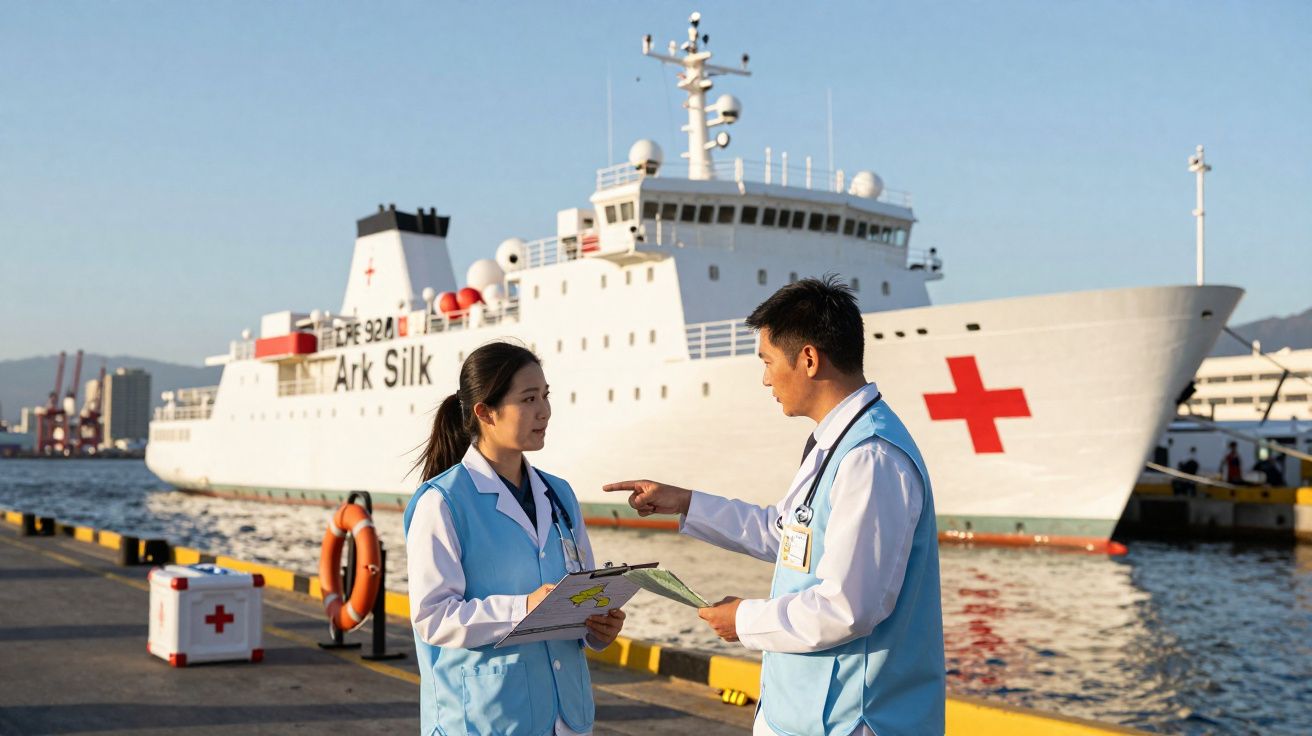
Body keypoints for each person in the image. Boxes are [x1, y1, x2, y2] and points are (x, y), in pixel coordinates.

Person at [605, 276, 945, 735]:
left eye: (766, 361)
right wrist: (683, 502)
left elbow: (850, 607)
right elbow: (787, 535)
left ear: (808, 359)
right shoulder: (836, 443)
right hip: (805, 715)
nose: (765, 378)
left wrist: (743, 619)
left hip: (851, 721)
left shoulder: (871, 458)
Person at [404, 341, 625, 736]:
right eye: (528, 398)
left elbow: (581, 590)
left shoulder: (559, 495)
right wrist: (523, 607)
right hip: (487, 719)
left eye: (545, 395)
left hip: (566, 717)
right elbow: (432, 618)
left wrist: (597, 627)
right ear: (485, 412)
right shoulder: (444, 502)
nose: (544, 410)